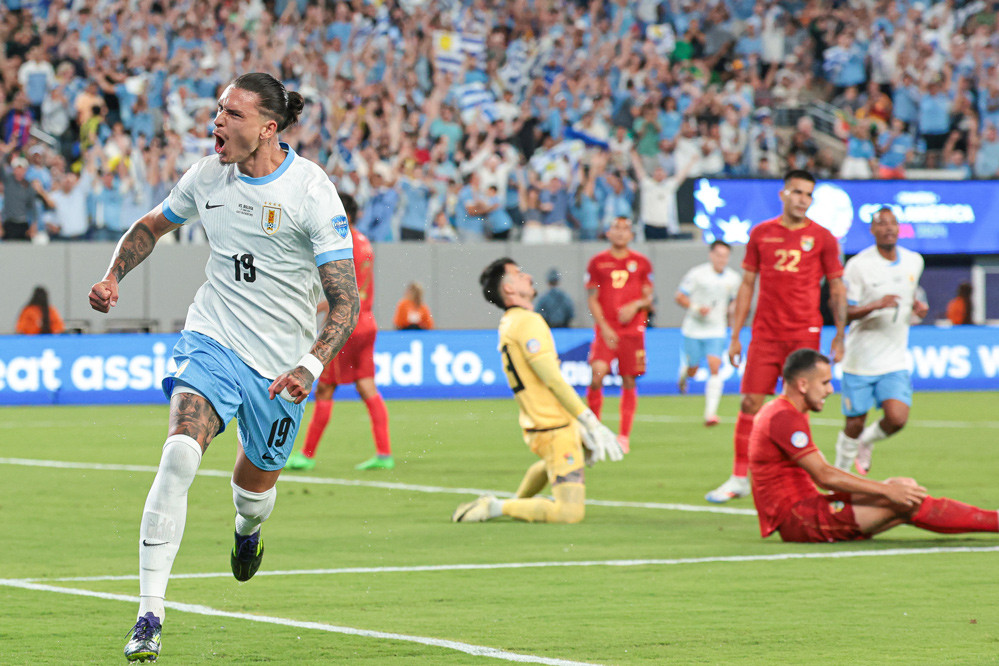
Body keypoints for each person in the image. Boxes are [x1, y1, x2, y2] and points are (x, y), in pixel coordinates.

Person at [88, 73, 360, 663]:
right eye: (218, 110)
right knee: (180, 453)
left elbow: (346, 302)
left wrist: (311, 365)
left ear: (268, 127)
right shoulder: (206, 176)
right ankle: (149, 614)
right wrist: (114, 275)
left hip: (282, 367)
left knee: (253, 494)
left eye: (233, 114)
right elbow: (150, 227)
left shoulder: (312, 192)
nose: (217, 122)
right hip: (212, 340)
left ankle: (247, 532)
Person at [750, 348, 998, 542]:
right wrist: (885, 490)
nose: (830, 389)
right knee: (901, 497)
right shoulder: (784, 416)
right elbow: (824, 475)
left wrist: (889, 489)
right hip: (800, 520)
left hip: (805, 511)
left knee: (904, 489)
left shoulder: (783, 411)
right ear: (803, 384)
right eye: (824, 383)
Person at [706, 170, 846, 504]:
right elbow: (747, 284)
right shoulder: (761, 234)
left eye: (808, 194)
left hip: (803, 333)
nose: (802, 199)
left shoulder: (824, 238)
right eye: (797, 192)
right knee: (750, 402)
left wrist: (840, 335)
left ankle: (806, 480)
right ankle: (739, 478)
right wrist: (736, 334)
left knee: (800, 407)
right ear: (783, 194)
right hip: (766, 334)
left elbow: (837, 288)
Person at [451, 258, 625, 524]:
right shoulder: (528, 322)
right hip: (554, 429)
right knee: (569, 513)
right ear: (508, 289)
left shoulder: (509, 322)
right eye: (519, 274)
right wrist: (590, 421)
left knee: (551, 465)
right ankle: (496, 507)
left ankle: (510, 503)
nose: (528, 276)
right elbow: (553, 380)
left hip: (539, 426)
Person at [285, 193, 394, 472]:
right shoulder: (364, 240)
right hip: (367, 321)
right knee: (367, 386)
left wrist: (317, 307)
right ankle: (384, 454)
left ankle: (307, 455)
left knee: (324, 388)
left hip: (347, 325)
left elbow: (345, 293)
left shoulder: (344, 243)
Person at [834, 208, 927, 476]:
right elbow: (844, 311)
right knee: (853, 423)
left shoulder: (914, 261)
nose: (888, 228)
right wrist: (876, 305)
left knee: (898, 418)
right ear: (872, 230)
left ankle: (867, 441)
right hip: (860, 359)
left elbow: (908, 298)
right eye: (881, 224)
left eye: (893, 223)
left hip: (894, 357)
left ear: (899, 228)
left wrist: (916, 309)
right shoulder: (859, 266)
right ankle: (839, 478)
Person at [585, 216, 654, 453]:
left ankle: (624, 435)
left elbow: (649, 297)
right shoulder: (597, 262)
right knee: (597, 375)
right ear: (608, 233)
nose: (621, 233)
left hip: (632, 331)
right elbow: (592, 298)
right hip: (607, 329)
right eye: (616, 228)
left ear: (631, 235)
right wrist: (603, 326)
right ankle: (593, 431)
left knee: (628, 379)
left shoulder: (642, 262)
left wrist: (635, 306)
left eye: (626, 229)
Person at [674, 240, 741, 426]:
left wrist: (732, 313)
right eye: (718, 255)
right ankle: (684, 374)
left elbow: (735, 301)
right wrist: (696, 308)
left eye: (725, 256)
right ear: (711, 255)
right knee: (693, 369)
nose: (722, 259)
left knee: (714, 365)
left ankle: (710, 413)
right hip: (693, 329)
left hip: (716, 329)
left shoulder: (733, 278)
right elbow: (679, 296)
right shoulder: (697, 274)